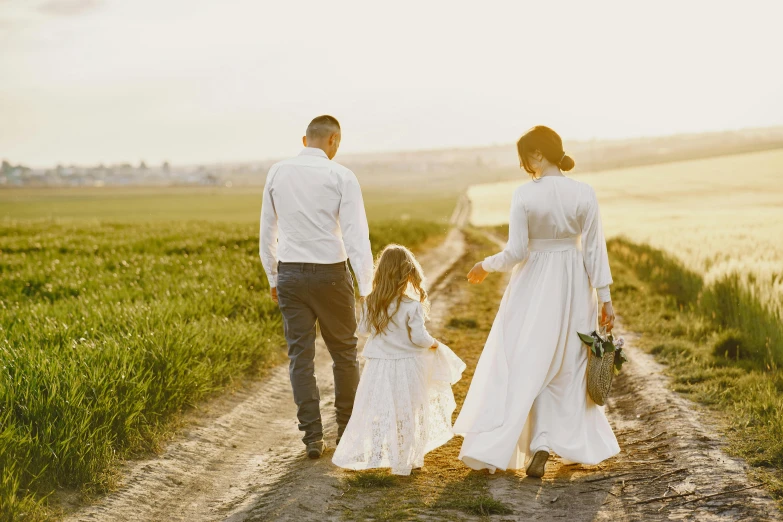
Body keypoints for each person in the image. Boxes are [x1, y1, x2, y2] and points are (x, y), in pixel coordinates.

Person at [454, 125, 620, 478]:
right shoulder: (584, 193)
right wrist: (605, 299)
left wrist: (485, 264)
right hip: (576, 283)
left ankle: (522, 442)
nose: (524, 167)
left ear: (538, 155)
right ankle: (546, 441)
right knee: (570, 365)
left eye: (524, 159)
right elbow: (594, 251)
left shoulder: (525, 195)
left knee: (528, 359)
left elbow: (515, 252)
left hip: (534, 282)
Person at [259, 115, 374, 459]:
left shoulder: (277, 172)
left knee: (300, 356)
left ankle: (312, 436)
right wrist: (366, 287)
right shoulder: (342, 175)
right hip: (332, 274)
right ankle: (346, 432)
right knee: (344, 354)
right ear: (334, 140)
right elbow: (356, 236)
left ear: (305, 139)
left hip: (291, 274)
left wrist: (273, 277)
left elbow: (267, 232)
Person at [332, 245, 465, 476]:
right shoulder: (411, 305)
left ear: (380, 272)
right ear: (407, 273)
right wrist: (434, 344)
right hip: (408, 365)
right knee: (407, 412)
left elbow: (363, 329)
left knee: (380, 409)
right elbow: (419, 338)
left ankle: (377, 453)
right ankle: (404, 459)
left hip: (379, 366)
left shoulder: (370, 302)